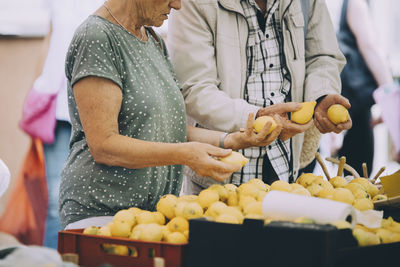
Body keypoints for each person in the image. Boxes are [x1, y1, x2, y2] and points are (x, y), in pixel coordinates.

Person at [59, 0, 295, 230]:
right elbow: (104, 145)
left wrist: (230, 140)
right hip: (103, 214)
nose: (178, 5)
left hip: (155, 217)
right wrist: (185, 155)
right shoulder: (97, 37)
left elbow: (167, 126)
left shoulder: (152, 39)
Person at [167, 0, 352, 194]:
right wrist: (258, 117)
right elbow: (195, 88)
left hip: (286, 166)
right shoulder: (192, 3)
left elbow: (322, 57)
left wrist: (321, 95)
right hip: (219, 175)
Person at [19, 0, 103, 248]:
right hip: (59, 112)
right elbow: (50, 38)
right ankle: (52, 261)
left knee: (96, 202)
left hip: (100, 112)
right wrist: (38, 89)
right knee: (57, 201)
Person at [327, 0, 394, 175]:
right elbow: (370, 46)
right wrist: (391, 101)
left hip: (328, 99)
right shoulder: (353, 3)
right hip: (353, 104)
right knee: (359, 179)